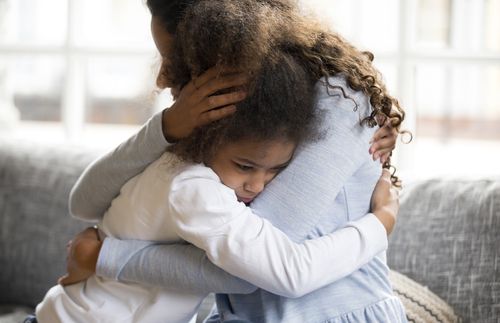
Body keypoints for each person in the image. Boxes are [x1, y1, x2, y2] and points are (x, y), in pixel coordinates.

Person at [54, 0, 406, 322]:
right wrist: (165, 128)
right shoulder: (220, 113)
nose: (162, 78)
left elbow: (254, 269)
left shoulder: (340, 98)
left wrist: (103, 257)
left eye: (172, 58)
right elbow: (84, 202)